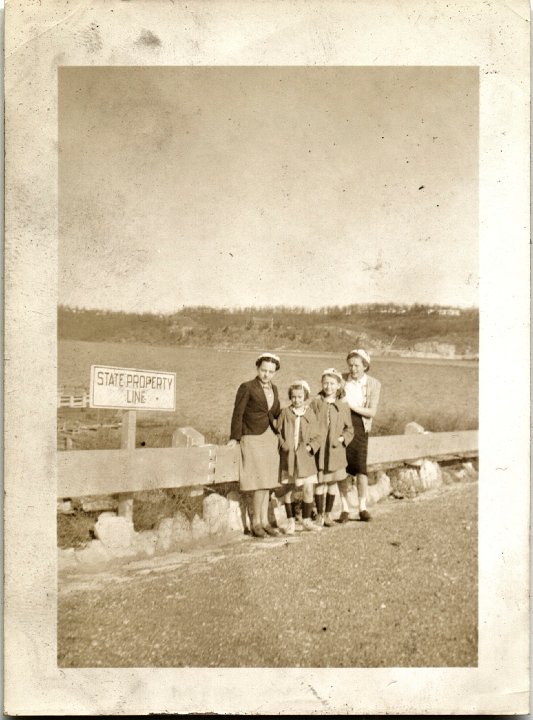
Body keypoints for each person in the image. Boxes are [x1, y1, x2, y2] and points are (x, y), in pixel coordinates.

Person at [227, 352, 282, 538]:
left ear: (275, 372)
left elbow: (275, 413)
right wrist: (235, 437)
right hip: (252, 437)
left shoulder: (274, 389)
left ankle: (265, 522)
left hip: (269, 438)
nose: (266, 374)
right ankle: (256, 523)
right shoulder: (247, 387)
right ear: (257, 368)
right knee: (259, 482)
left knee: (268, 483)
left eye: (271, 371)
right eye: (263, 370)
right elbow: (238, 413)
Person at [339, 348, 381, 522]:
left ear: (365, 365)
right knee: (342, 469)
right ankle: (345, 509)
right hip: (341, 426)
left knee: (361, 469)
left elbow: (371, 412)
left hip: (361, 426)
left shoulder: (374, 384)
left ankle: (362, 508)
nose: (353, 369)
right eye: (350, 365)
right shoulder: (340, 379)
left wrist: (351, 406)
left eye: (356, 365)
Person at [310, 368, 354, 527]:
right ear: (322, 384)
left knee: (332, 483)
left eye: (332, 383)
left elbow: (350, 429)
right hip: (320, 451)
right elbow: (309, 424)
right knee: (320, 482)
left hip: (335, 451)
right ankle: (319, 516)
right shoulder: (316, 403)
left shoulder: (343, 406)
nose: (328, 386)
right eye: (325, 383)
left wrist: (342, 439)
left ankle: (328, 515)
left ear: (338, 386)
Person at [277, 380, 321, 533]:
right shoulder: (285, 412)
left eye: (300, 397)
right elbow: (278, 432)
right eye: (294, 397)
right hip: (290, 458)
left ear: (305, 397)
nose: (297, 400)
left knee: (308, 488)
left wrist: (310, 447)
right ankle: (291, 522)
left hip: (306, 458)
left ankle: (307, 520)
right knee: (290, 490)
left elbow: (317, 436)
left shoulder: (309, 413)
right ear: (290, 397)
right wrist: (282, 444)